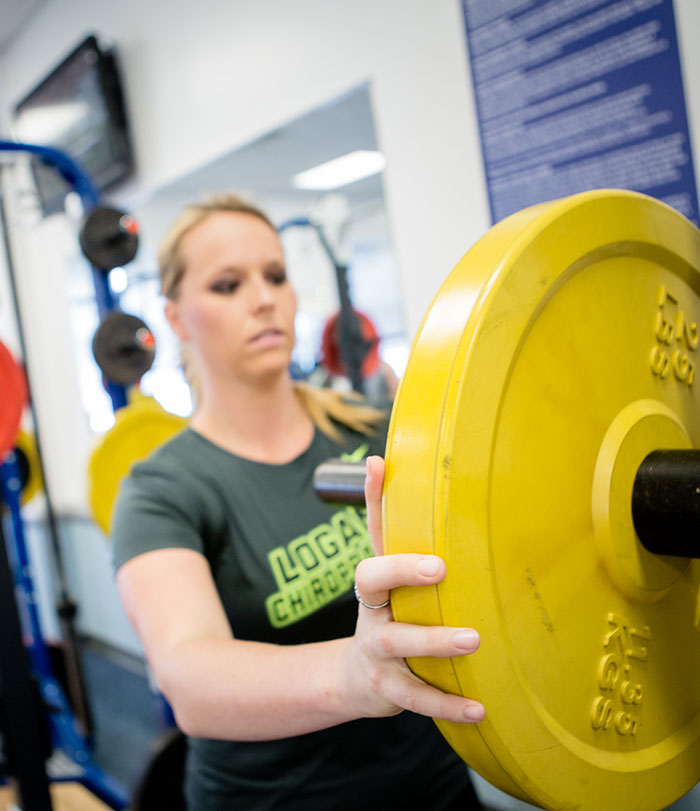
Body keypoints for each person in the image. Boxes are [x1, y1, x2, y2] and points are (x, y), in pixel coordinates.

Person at [110, 194, 485, 810]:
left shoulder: (373, 433)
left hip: (432, 786)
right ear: (176, 319)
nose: (263, 298)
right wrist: (354, 674)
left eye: (275, 276)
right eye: (228, 285)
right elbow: (190, 677)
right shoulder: (161, 490)